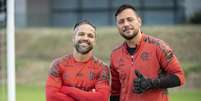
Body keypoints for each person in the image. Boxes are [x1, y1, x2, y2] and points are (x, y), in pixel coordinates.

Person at [110, 4, 185, 101]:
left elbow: (179, 77)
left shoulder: (158, 46)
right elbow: (116, 92)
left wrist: (151, 83)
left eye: (130, 19)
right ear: (117, 27)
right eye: (121, 22)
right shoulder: (115, 55)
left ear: (139, 21)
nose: (126, 24)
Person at [45, 20, 110, 101]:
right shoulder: (58, 64)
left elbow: (102, 98)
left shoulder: (102, 68)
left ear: (94, 41)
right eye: (81, 34)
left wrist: (67, 90)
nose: (85, 38)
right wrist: (89, 96)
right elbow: (51, 97)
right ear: (73, 38)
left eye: (90, 36)